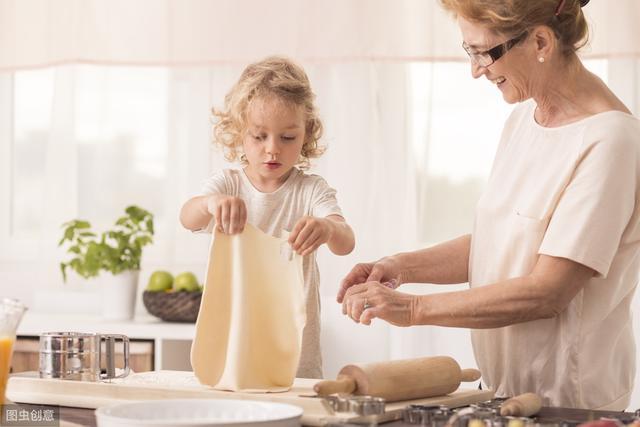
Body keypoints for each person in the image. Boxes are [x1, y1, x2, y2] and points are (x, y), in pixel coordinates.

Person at [338, 0, 640, 410]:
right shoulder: (523, 120)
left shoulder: (611, 141)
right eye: (470, 52)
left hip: (569, 405)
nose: (476, 69)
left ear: (540, 41)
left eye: (484, 52)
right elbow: (497, 242)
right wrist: (400, 267)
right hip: (503, 395)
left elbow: (548, 291)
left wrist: (412, 309)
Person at [180, 56, 355, 379]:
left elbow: (346, 242)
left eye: (287, 137)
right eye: (259, 136)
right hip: (234, 346)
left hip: (296, 354)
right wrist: (211, 204)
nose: (272, 149)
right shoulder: (228, 184)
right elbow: (187, 217)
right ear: (237, 133)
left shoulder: (310, 190)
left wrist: (328, 228)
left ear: (306, 134)